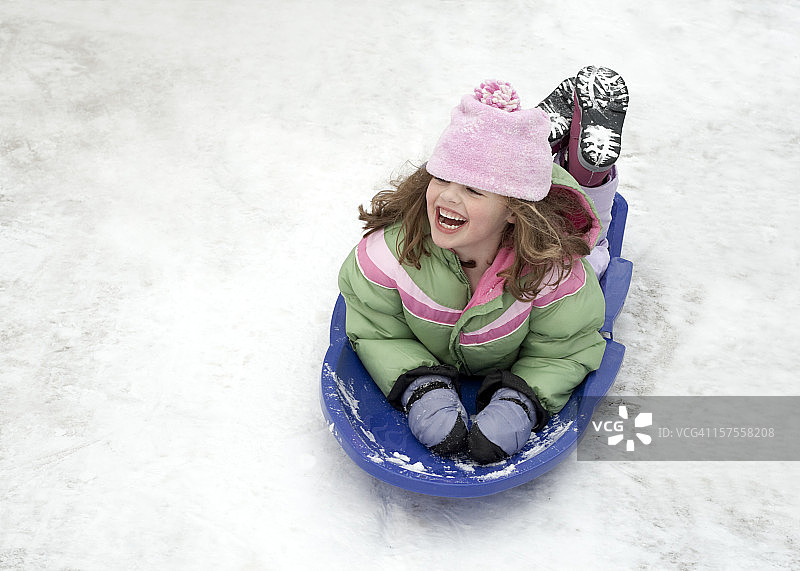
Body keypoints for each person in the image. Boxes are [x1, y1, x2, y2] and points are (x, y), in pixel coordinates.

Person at [338, 67, 628, 464]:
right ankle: (534, 139)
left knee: (593, 248)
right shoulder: (389, 257)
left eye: (473, 189)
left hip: (549, 232)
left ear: (513, 209)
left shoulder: (554, 274)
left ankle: (587, 172)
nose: (447, 198)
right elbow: (378, 331)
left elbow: (563, 349)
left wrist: (520, 399)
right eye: (441, 179)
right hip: (517, 192)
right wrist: (422, 385)